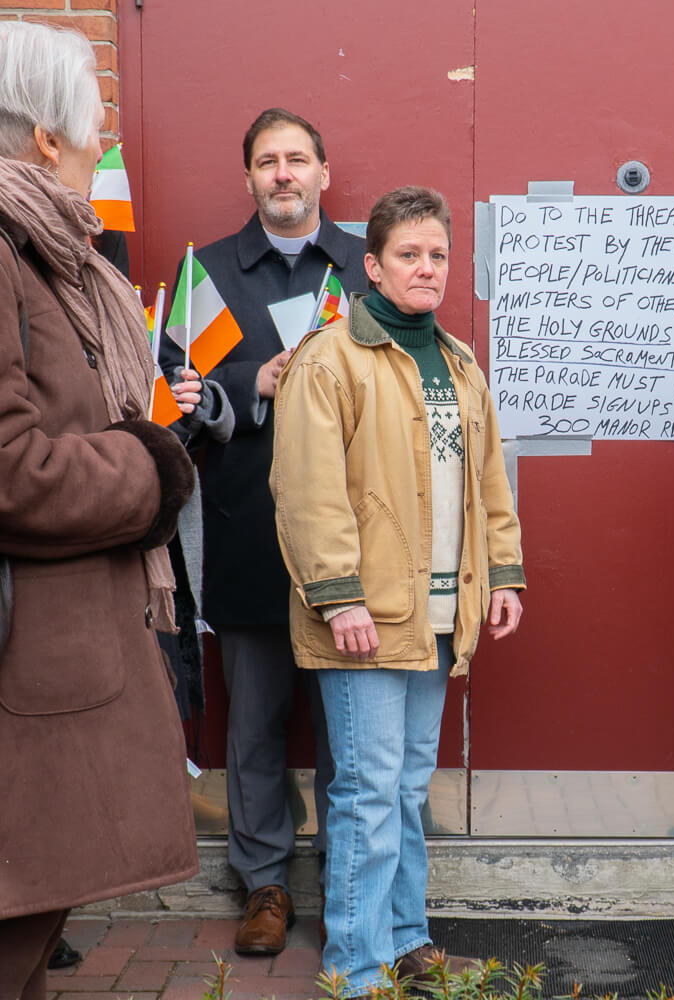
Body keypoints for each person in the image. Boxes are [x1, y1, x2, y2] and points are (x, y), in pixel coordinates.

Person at [270, 186, 525, 992]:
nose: (426, 268)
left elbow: (489, 481)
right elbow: (307, 492)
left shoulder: (458, 361)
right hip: (366, 620)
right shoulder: (329, 360)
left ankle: (407, 939)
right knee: (368, 797)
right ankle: (354, 964)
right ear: (372, 266)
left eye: (438, 254)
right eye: (408, 254)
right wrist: (339, 595)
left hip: (438, 617)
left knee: (407, 792)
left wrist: (505, 571)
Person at [0, 21, 197, 998]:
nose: (99, 143)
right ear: (44, 137)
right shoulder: (6, 255)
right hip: (28, 682)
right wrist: (152, 470)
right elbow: (12, 470)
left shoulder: (40, 256)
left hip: (49, 674)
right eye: (92, 127)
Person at [160, 107, 367, 956]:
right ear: (247, 178)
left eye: (297, 160)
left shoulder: (365, 265)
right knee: (253, 729)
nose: (283, 175)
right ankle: (266, 887)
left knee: (352, 730)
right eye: (266, 162)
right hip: (247, 532)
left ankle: (353, 888)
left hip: (355, 545)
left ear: (324, 171)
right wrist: (257, 382)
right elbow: (173, 396)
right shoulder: (204, 273)